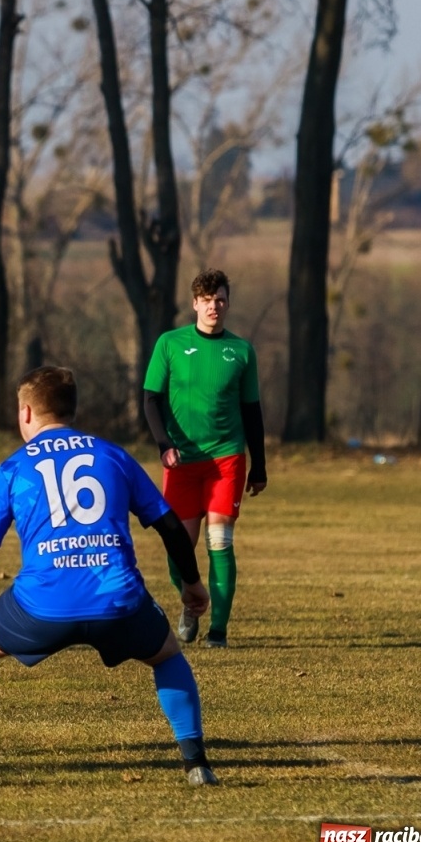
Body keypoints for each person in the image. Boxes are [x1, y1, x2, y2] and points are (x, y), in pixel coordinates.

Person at [0, 365, 217, 787]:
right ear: (71, 409)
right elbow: (171, 528)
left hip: (42, 605)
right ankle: (197, 765)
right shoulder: (114, 456)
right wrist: (192, 585)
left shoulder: (14, 468)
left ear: (26, 413)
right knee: (167, 655)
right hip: (117, 600)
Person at [142, 268, 266, 649]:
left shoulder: (242, 351)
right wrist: (164, 444)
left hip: (226, 459)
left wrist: (259, 465)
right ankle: (190, 602)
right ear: (195, 303)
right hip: (181, 462)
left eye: (221, 299)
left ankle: (218, 633)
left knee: (220, 541)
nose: (215, 306)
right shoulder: (170, 343)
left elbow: (252, 412)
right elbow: (150, 399)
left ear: (228, 303)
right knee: (178, 547)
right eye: (208, 300)